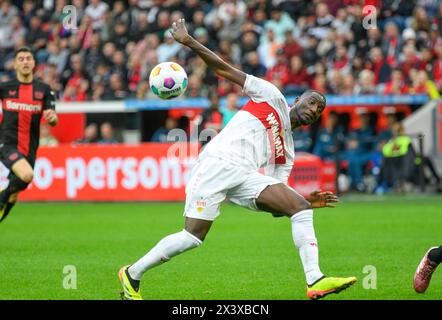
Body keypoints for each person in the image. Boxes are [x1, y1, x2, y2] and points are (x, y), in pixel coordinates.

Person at [118, 19, 356, 301]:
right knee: (192, 237)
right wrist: (188, 41)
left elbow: (278, 207)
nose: (315, 109)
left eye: (320, 109)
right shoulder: (272, 97)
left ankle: (315, 280)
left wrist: (302, 202)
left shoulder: (287, 151)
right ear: (297, 101)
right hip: (217, 162)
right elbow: (223, 69)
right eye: (312, 102)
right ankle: (132, 274)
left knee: (300, 210)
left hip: (244, 175)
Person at [0, 47, 58, 223]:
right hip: (7, 144)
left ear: (34, 63)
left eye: (28, 59)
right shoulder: (5, 88)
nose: (25, 62)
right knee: (27, 175)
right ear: (15, 64)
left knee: (14, 195)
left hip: (30, 149)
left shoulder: (44, 90)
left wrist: (52, 117)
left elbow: (53, 118)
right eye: (21, 59)